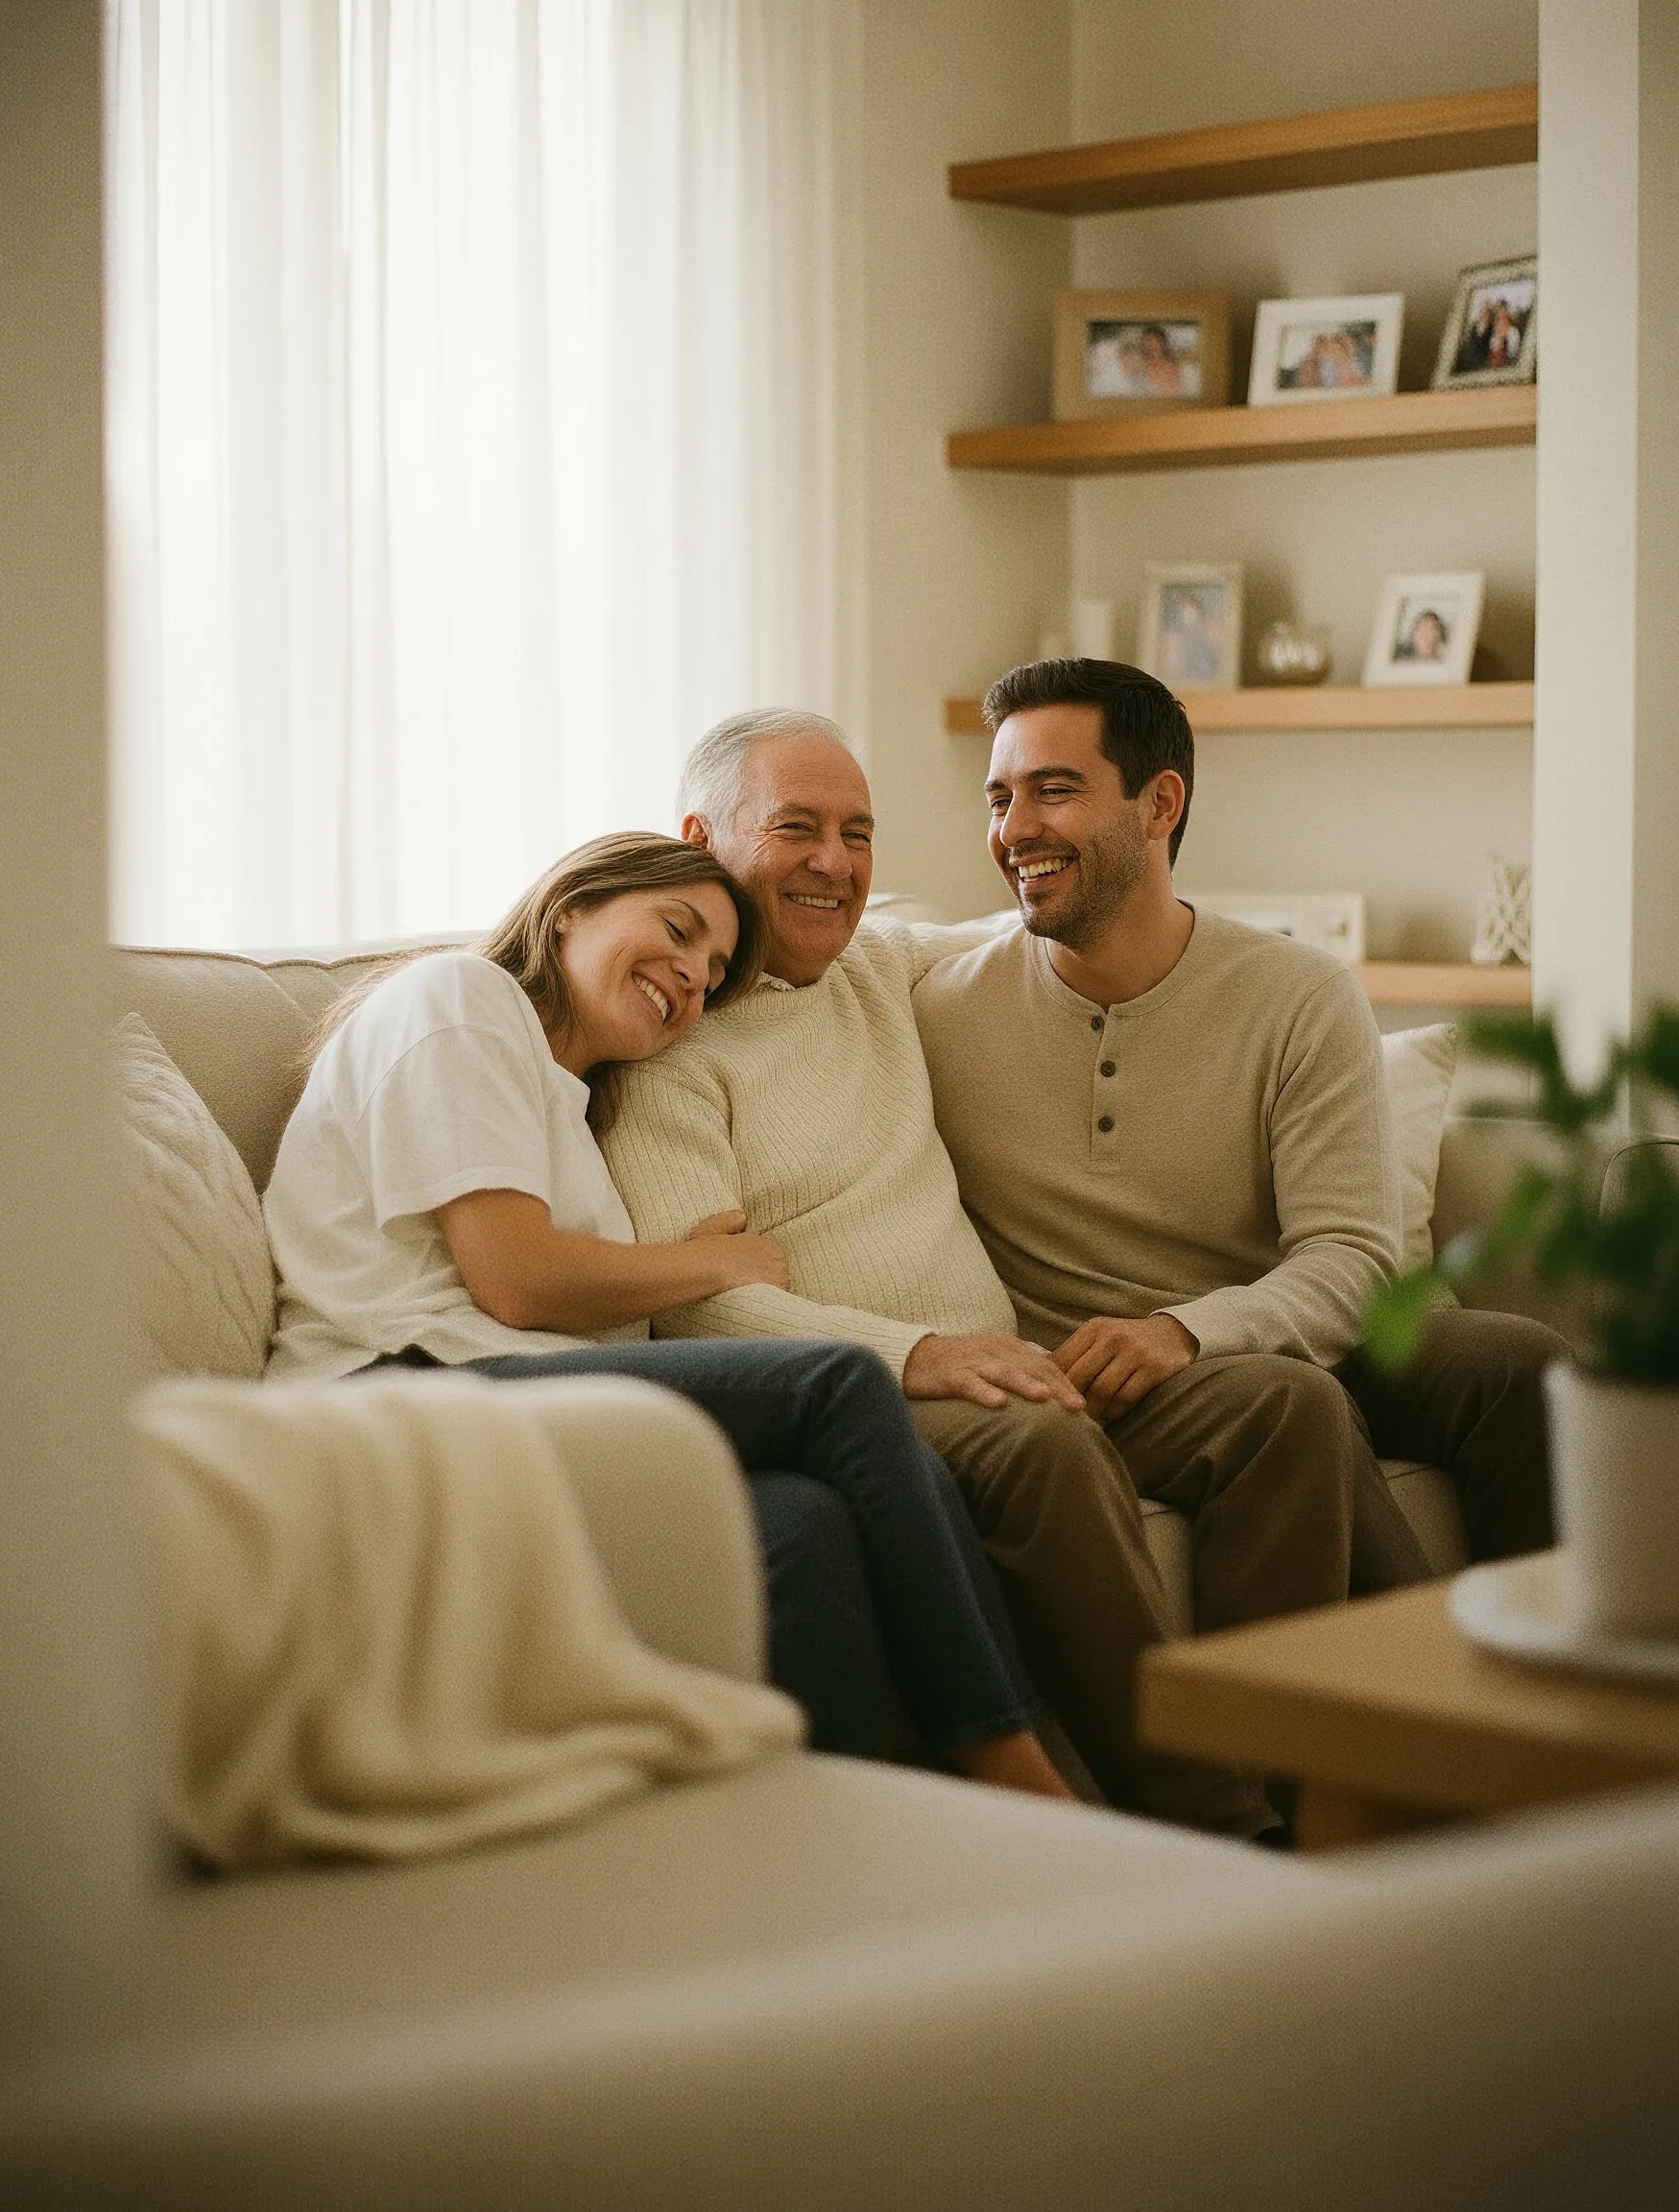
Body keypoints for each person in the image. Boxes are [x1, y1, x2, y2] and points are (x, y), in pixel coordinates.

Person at [601, 711, 1328, 1838]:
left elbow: (1074, 923)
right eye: (797, 828)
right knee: (1041, 1443)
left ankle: (1314, 1780)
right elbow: (703, 1304)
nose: (834, 864)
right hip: (876, 1401)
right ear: (699, 836)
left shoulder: (883, 966)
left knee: (1278, 1404)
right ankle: (1220, 1827)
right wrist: (924, 1357)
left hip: (1010, 1361)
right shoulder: (666, 1050)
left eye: (858, 833)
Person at [261, 830, 1069, 1799]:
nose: (690, 977)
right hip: (390, 1393)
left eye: (713, 972)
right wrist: (703, 1264)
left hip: (505, 1402)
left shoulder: (570, 1107)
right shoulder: (458, 1000)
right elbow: (513, 1279)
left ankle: (840, 1833)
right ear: (573, 905)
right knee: (836, 1382)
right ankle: (1012, 1769)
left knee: (802, 1523)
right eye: (677, 932)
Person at [911, 658, 1562, 1593]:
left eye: (1053, 792)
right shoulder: (938, 1005)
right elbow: (824, 953)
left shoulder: (1297, 995)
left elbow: (1352, 1258)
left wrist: (1188, 1328)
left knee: (1515, 1363)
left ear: (1159, 803)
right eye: (998, 798)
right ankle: (1408, 1708)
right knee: (1291, 1406)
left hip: (1260, 1318)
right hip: (1100, 1369)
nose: (1013, 831)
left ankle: (1552, 1689)